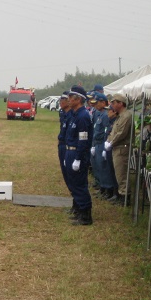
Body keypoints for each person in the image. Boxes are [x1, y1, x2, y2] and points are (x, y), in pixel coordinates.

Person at [65, 85, 93, 225]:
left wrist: (77, 159)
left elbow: (83, 140)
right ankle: (79, 210)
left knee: (80, 184)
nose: (68, 99)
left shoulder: (82, 117)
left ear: (78, 99)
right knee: (73, 183)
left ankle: (85, 214)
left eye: (71, 97)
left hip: (77, 153)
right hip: (71, 151)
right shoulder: (75, 115)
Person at [104, 93, 133, 206]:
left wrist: (111, 142)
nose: (112, 105)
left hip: (122, 148)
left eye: (114, 102)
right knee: (118, 173)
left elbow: (121, 133)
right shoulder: (120, 116)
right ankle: (121, 195)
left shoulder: (126, 116)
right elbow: (114, 131)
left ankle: (125, 198)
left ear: (121, 103)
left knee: (122, 174)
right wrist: (108, 140)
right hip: (117, 147)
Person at [57, 92, 72, 194]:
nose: (61, 102)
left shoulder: (72, 115)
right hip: (62, 144)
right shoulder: (64, 113)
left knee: (70, 173)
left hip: (68, 146)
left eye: (64, 100)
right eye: (60, 100)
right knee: (65, 172)